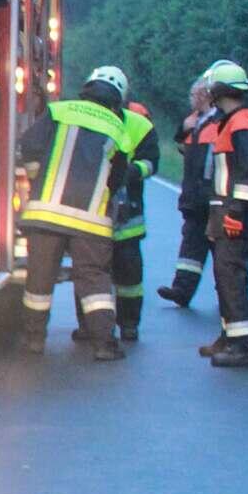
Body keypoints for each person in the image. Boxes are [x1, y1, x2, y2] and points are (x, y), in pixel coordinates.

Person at [15, 71, 134, 361]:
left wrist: (36, 178)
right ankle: (104, 344)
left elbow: (28, 145)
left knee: (39, 279)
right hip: (90, 221)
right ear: (118, 99)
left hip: (46, 214)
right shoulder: (120, 130)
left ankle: (34, 340)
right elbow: (118, 178)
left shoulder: (58, 110)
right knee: (94, 282)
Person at [87, 69, 158, 342]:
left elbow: (151, 161)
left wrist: (130, 172)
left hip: (126, 215)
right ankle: (91, 327)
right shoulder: (84, 117)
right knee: (92, 275)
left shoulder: (139, 125)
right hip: (90, 212)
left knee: (129, 276)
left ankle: (129, 324)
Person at [199, 61, 248, 368]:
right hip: (225, 214)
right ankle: (229, 337)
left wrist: (236, 212)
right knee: (225, 278)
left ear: (217, 91)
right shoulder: (233, 121)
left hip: (236, 217)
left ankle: (243, 347)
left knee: (232, 278)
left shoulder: (244, 122)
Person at [157, 72, 221, 309]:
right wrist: (184, 125)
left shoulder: (221, 121)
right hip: (195, 198)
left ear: (205, 95)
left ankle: (228, 294)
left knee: (221, 252)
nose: (190, 99)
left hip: (213, 198)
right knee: (191, 247)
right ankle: (181, 290)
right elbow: (179, 136)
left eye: (193, 95)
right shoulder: (198, 119)